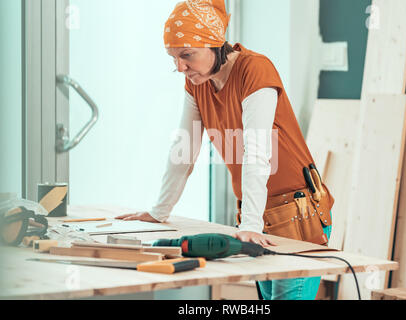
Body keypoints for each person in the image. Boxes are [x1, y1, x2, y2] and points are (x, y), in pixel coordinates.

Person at [116, 0, 333, 300]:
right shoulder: (197, 84)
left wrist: (251, 225)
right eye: (174, 58)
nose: (180, 67)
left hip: (296, 212)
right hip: (255, 213)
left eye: (187, 55)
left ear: (215, 43)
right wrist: (159, 211)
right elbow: (185, 147)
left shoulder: (254, 70)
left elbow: (257, 152)